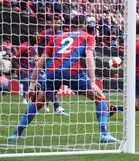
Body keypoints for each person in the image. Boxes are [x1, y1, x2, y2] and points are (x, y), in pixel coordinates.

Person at [8, 15, 120, 143]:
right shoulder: (87, 36)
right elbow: (89, 57)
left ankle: (16, 134)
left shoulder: (57, 37)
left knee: (38, 102)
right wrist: (93, 82)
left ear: (69, 26)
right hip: (71, 71)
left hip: (52, 72)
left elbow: (40, 63)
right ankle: (104, 134)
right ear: (84, 27)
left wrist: (32, 87)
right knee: (100, 97)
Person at [38, 15, 67, 115]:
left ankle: (47, 102)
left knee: (53, 85)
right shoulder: (44, 33)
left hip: (57, 61)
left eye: (59, 23)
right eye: (55, 23)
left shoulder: (61, 34)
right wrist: (39, 61)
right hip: (47, 61)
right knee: (50, 84)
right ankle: (57, 107)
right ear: (51, 23)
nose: (57, 25)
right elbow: (37, 46)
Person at [12, 34, 38, 104]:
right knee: (27, 82)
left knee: (43, 80)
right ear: (30, 38)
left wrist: (38, 68)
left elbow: (33, 59)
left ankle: (40, 101)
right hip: (23, 71)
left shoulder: (35, 47)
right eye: (36, 36)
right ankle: (24, 99)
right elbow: (14, 60)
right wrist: (22, 71)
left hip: (32, 70)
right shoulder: (23, 47)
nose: (38, 38)